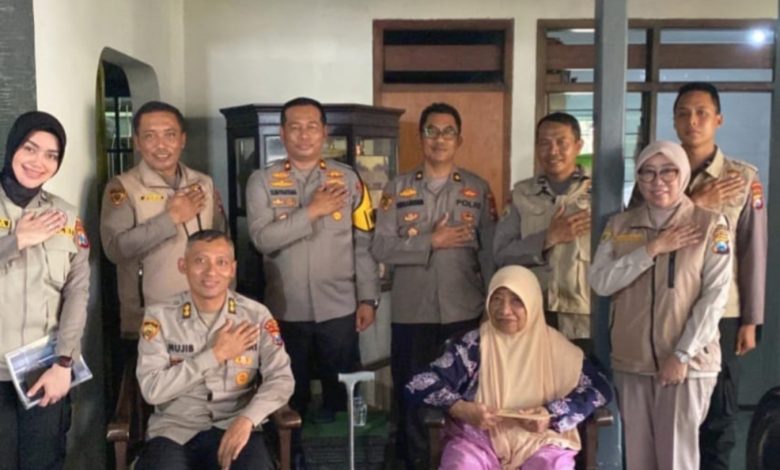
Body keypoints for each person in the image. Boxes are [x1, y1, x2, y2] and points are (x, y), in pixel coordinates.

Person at [591, 141, 733, 470]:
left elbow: (714, 297)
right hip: (632, 362)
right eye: (648, 173)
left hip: (688, 364)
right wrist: (651, 249)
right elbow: (600, 281)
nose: (658, 182)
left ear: (683, 174)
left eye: (668, 171)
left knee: (676, 459)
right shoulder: (620, 226)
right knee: (638, 458)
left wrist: (682, 354)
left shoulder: (711, 225)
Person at [371, 102, 496, 469]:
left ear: (459, 139)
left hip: (464, 309)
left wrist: (492, 308)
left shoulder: (477, 188)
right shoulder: (397, 188)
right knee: (413, 393)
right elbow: (380, 247)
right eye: (432, 131)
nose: (440, 139)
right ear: (420, 137)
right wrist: (430, 241)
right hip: (413, 312)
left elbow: (490, 254)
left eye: (448, 132)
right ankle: (415, 463)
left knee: (464, 394)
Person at [245, 98, 379, 430]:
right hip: (285, 309)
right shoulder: (261, 181)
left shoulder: (349, 179)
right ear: (282, 133)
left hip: (339, 307)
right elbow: (262, 239)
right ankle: (290, 453)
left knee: (343, 396)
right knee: (289, 395)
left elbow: (363, 243)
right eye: (295, 127)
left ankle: (344, 452)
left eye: (311, 127)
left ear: (324, 132)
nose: (303, 135)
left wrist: (368, 298)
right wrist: (313, 211)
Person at [406, 265, 611, 469]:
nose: (504, 310)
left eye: (516, 300)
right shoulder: (473, 345)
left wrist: (551, 415)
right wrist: (461, 408)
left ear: (532, 302)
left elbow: (600, 389)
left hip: (542, 441)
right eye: (497, 299)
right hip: (477, 440)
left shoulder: (559, 349)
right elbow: (419, 382)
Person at [135, 230, 293, 470]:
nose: (211, 272)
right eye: (200, 261)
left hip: (234, 424)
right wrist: (215, 355)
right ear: (183, 266)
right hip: (174, 431)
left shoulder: (256, 316)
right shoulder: (160, 317)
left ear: (232, 269)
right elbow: (152, 390)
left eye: (221, 262)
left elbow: (281, 378)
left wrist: (247, 419)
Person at [672, 82, 766, 470]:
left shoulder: (741, 178)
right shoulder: (660, 171)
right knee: (672, 407)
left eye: (701, 113)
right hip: (669, 305)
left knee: (719, 411)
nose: (692, 121)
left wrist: (751, 319)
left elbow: (753, 251)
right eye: (683, 113)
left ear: (718, 120)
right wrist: (695, 203)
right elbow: (642, 233)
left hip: (721, 312)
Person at [0, 111, 90, 469]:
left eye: (51, 155)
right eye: (30, 148)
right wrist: (16, 241)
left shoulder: (65, 217)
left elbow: (77, 292)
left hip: (43, 371)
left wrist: (64, 362)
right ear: (12, 148)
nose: (39, 162)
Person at [101, 100, 226, 345]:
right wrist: (171, 219)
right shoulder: (124, 187)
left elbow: (223, 245)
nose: (161, 145)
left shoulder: (203, 183)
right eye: (150, 136)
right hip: (150, 318)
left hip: (205, 312)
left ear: (182, 140)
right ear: (137, 142)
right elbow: (115, 249)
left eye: (170, 135)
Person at [494, 112, 591, 342]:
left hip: (584, 318)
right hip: (530, 312)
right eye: (544, 143)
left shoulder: (600, 195)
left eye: (561, 142)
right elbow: (501, 254)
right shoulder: (521, 195)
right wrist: (547, 239)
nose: (553, 151)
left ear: (578, 146)